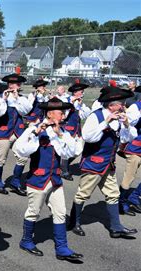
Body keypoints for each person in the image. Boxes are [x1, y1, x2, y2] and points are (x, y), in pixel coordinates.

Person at [13, 97, 84, 261]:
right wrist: (35, 134)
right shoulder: (35, 129)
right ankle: (26, 240)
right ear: (50, 114)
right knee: (33, 212)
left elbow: (71, 153)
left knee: (60, 213)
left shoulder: (62, 131)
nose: (64, 116)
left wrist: (61, 135)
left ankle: (62, 248)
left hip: (55, 179)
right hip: (37, 179)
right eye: (61, 113)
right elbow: (20, 150)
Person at [67, 87, 138, 238]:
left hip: (109, 163)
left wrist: (126, 124)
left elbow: (128, 138)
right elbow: (88, 137)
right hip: (93, 163)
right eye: (122, 104)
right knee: (83, 194)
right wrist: (105, 122)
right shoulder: (96, 116)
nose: (124, 106)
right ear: (112, 105)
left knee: (113, 194)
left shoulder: (120, 118)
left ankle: (116, 227)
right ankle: (74, 222)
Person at [0, 73, 32, 196]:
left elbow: (26, 111)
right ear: (9, 85)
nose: (16, 86)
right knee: (1, 159)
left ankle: (15, 181)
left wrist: (17, 98)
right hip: (3, 132)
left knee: (23, 157)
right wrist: (4, 100)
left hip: (18, 132)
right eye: (13, 84)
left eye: (18, 84)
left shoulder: (22, 98)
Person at [60, 82, 91, 181]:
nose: (83, 93)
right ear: (75, 92)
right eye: (81, 91)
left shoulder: (81, 102)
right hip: (68, 129)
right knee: (66, 150)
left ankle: (63, 165)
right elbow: (63, 114)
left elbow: (85, 115)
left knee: (78, 150)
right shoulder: (66, 100)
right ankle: (64, 171)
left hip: (77, 129)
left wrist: (81, 105)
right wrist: (71, 103)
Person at [119, 86, 141, 215]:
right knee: (129, 178)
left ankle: (134, 196)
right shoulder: (135, 107)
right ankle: (122, 204)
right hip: (135, 148)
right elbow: (129, 123)